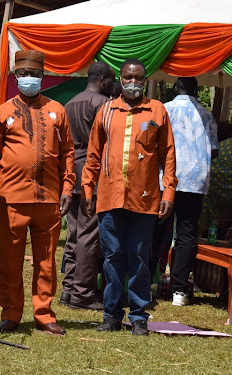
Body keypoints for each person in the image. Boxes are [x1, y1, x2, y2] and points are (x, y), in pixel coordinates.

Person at [81, 58, 177, 335]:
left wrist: (168, 191)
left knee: (139, 257)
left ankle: (138, 315)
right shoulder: (107, 111)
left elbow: (168, 155)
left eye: (138, 78)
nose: (133, 82)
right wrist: (88, 189)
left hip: (144, 198)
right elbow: (93, 154)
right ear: (120, 79)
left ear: (145, 80)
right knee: (112, 256)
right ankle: (111, 314)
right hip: (110, 197)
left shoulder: (157, 110)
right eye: (128, 77)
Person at [0, 50, 75, 336]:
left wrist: (68, 187)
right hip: (10, 198)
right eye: (23, 74)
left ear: (43, 76)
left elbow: (68, 153)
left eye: (34, 74)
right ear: (15, 76)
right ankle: (10, 314)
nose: (29, 79)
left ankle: (44, 314)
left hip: (48, 199)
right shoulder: (1, 113)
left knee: (46, 261)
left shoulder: (58, 111)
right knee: (9, 260)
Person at [154, 77, 218, 307]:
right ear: (197, 90)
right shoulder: (207, 115)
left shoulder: (163, 109)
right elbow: (214, 150)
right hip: (195, 181)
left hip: (166, 179)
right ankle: (179, 290)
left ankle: (152, 280)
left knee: (159, 229)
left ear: (175, 88)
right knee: (187, 233)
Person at [60, 61, 115, 310]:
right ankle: (82, 294)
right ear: (102, 79)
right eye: (112, 80)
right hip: (91, 177)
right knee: (89, 236)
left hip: (72, 174)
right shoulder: (103, 105)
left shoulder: (69, 104)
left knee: (73, 234)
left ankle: (68, 289)